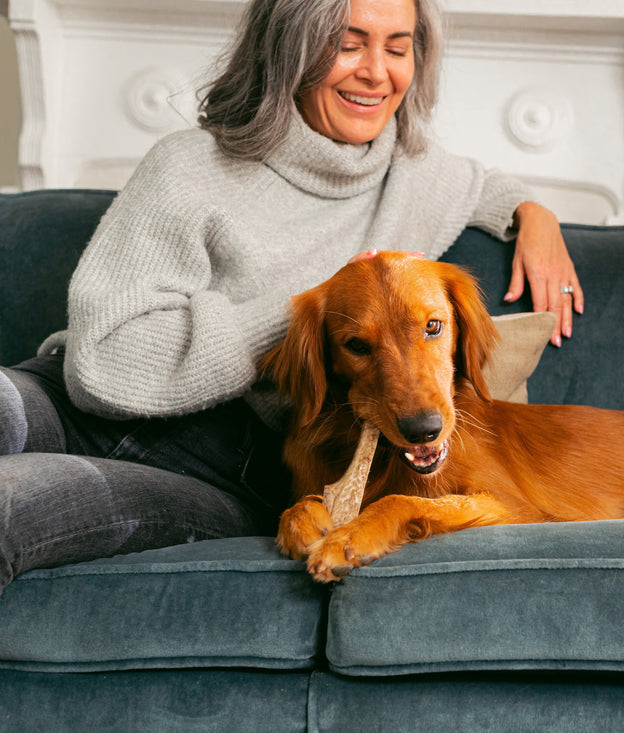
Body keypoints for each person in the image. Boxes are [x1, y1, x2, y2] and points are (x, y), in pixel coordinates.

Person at [0, 0, 583, 592]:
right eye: (348, 44)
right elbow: (102, 365)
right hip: (73, 404)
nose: (376, 72)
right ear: (289, 49)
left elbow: (488, 187)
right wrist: (301, 314)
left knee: (7, 506)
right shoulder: (187, 167)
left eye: (398, 48)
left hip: (233, 474)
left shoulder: (419, 175)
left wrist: (533, 214)